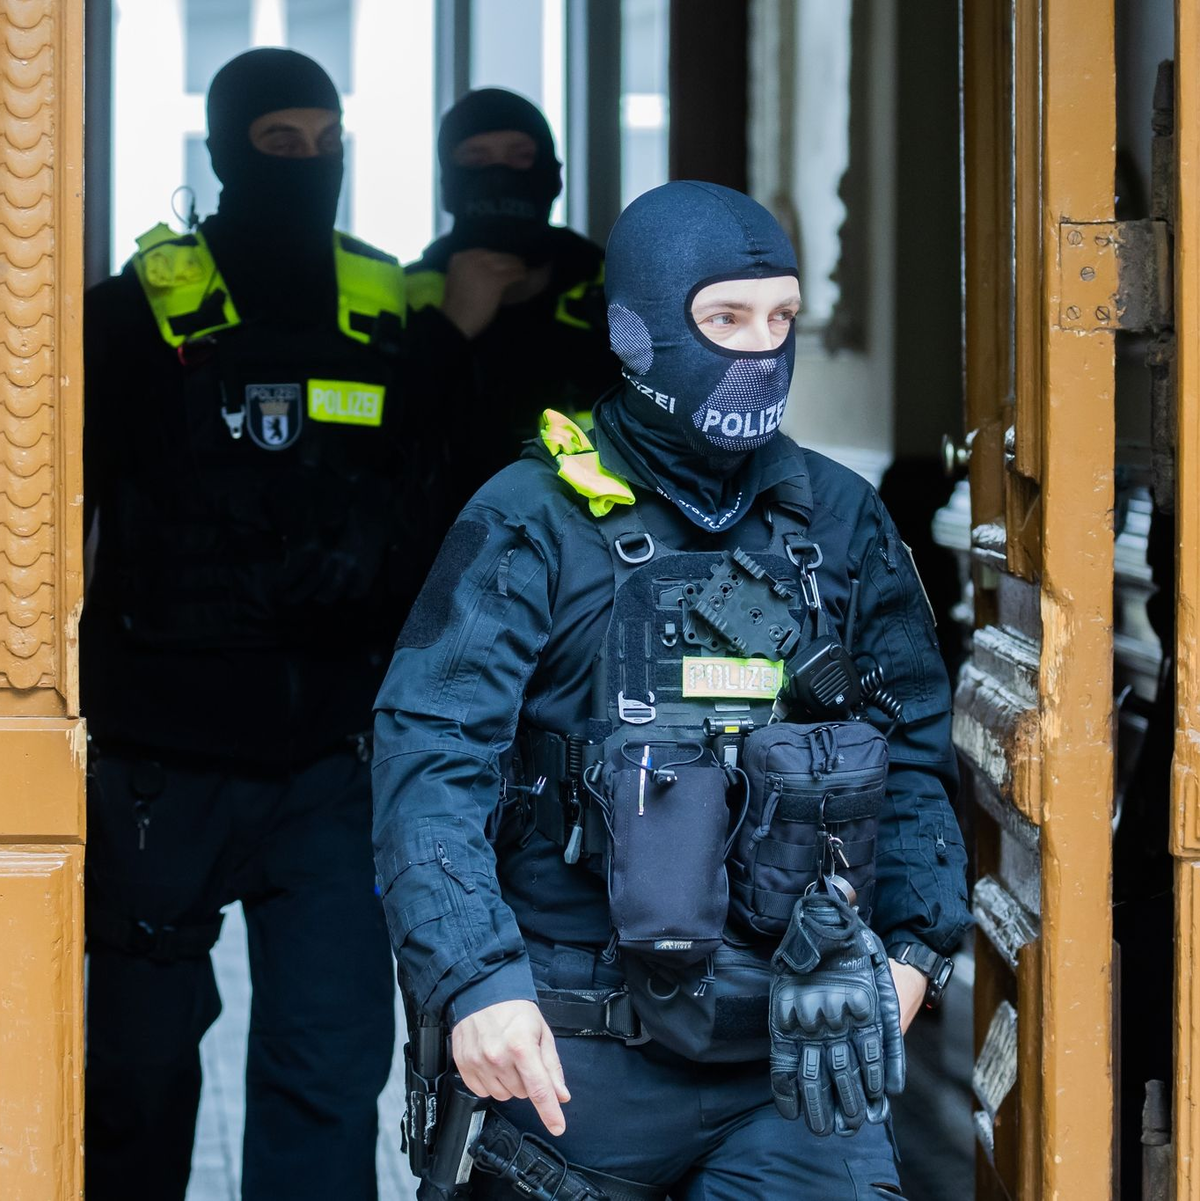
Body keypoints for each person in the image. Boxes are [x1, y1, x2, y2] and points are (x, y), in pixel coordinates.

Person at [372, 182, 971, 1199]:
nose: (760, 348)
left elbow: (910, 749)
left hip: (797, 1060)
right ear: (636, 332)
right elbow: (428, 754)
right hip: (571, 1057)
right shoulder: (531, 516)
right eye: (725, 319)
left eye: (781, 318)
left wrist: (914, 951)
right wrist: (471, 979)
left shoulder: (840, 519)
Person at [81, 48, 456, 1201]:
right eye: (276, 143)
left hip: (332, 767)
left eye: (323, 141)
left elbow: (462, 496)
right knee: (135, 1071)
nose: (305, 163)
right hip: (160, 760)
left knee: (330, 1066)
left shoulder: (395, 311)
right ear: (224, 151)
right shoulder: (133, 313)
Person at [407, 87, 620, 486]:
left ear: (552, 174)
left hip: (593, 539)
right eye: (476, 159)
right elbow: (382, 441)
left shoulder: (614, 290)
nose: (499, 175)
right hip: (441, 540)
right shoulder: (402, 298)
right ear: (449, 182)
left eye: (521, 156)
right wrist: (449, 328)